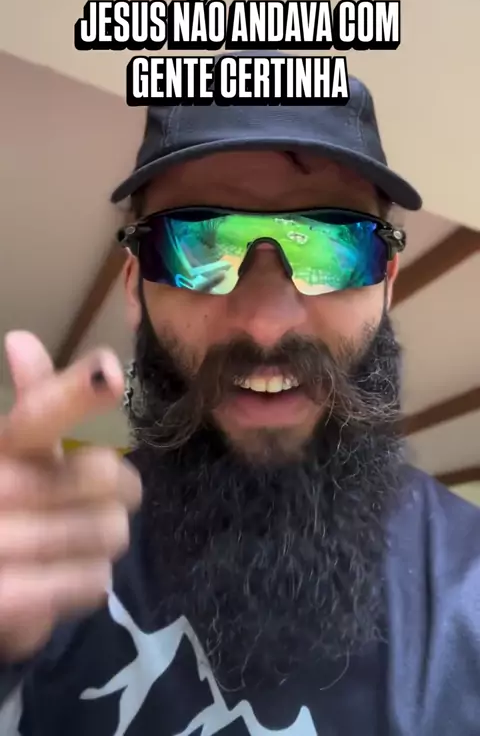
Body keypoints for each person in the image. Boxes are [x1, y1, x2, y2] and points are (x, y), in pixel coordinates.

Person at [0, 53, 478, 736]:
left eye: (330, 247)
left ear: (386, 282)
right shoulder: (38, 572)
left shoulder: (470, 590)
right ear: (136, 287)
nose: (265, 322)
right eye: (197, 246)